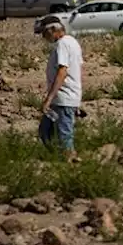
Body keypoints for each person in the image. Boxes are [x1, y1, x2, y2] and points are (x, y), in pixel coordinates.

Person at [39, 20, 83, 161]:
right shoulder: (73, 42)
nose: (45, 38)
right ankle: (55, 156)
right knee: (46, 130)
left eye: (46, 34)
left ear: (53, 31)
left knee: (64, 132)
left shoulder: (62, 44)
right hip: (66, 97)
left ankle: (69, 159)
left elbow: (62, 71)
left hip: (63, 97)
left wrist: (49, 98)